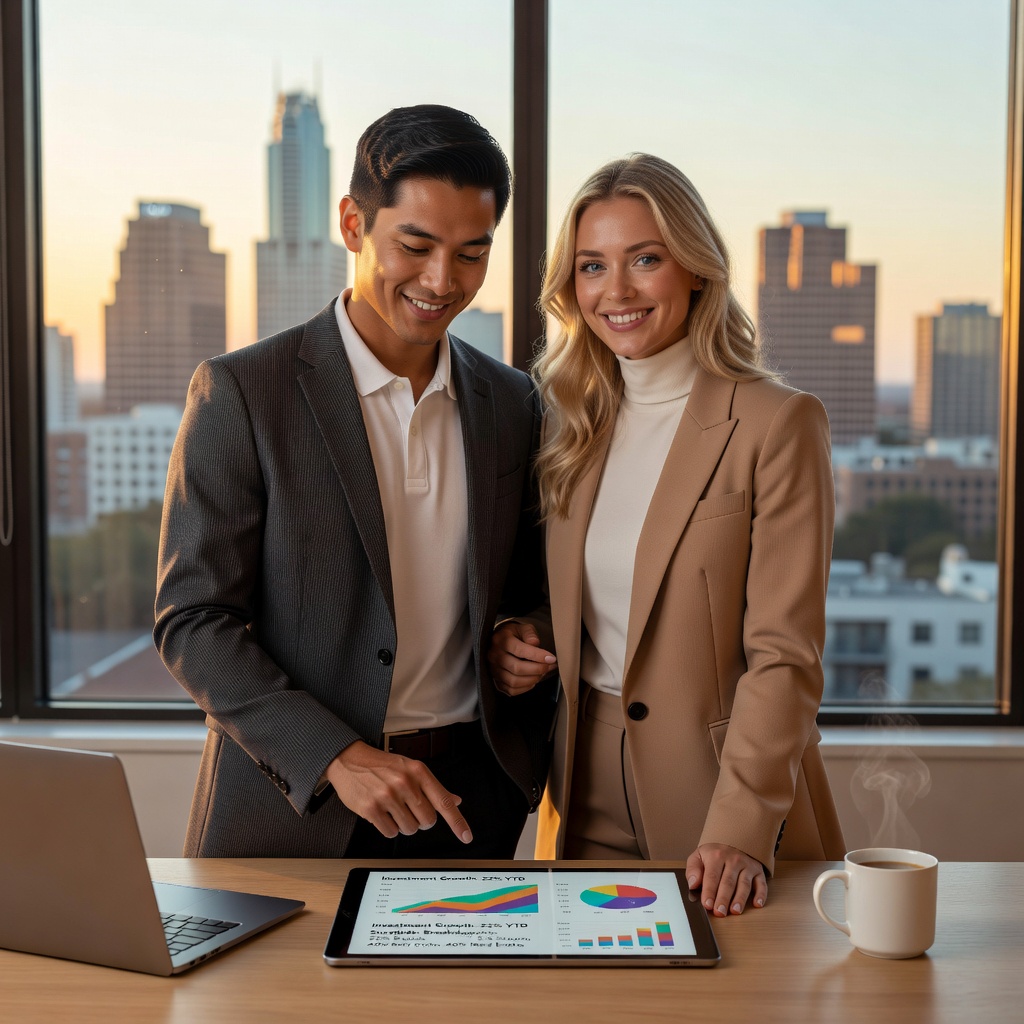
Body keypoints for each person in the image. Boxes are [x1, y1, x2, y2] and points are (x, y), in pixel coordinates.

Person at [155, 104, 553, 859]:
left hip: (470, 807)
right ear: (352, 224)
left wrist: (519, 634)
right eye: (416, 245)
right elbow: (193, 620)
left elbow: (536, 581)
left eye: (473, 253)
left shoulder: (513, 402)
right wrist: (336, 756)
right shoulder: (243, 392)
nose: (443, 281)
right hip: (292, 810)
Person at [489, 153, 845, 917]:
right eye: (591, 266)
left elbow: (784, 654)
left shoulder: (777, 423)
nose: (615, 291)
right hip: (579, 786)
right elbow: (609, 597)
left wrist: (743, 825)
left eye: (644, 259)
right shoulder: (571, 422)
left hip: (719, 796)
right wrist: (527, 636)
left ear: (694, 268)